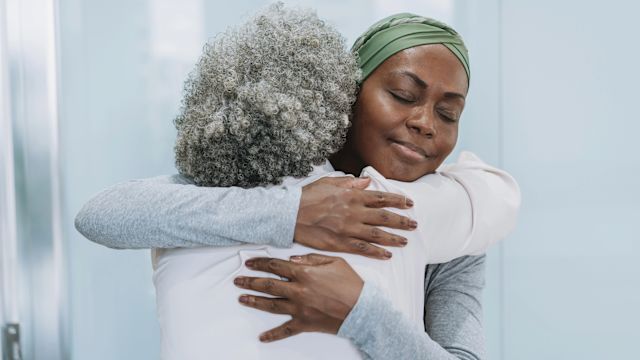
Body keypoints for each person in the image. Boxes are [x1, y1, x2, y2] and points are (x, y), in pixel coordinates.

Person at [75, 4, 520, 359]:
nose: (426, 124)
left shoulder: (450, 216)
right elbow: (104, 214)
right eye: (402, 95)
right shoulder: (249, 175)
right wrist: (292, 212)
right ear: (348, 92)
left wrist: (359, 313)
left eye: (449, 114)